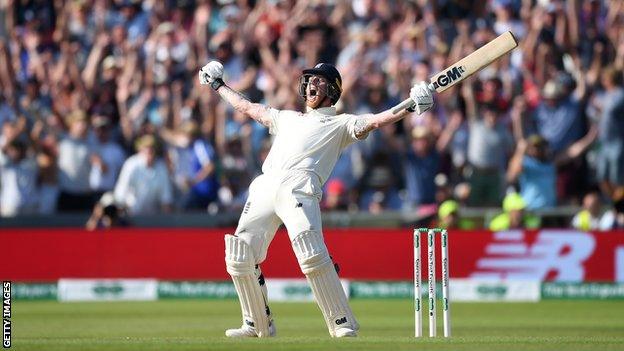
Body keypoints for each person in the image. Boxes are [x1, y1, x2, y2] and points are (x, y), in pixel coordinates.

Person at [199, 61, 433, 338]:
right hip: (265, 185)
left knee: (311, 253)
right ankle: (257, 324)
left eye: (320, 81)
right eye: (310, 79)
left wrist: (411, 104)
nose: (312, 84)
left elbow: (377, 119)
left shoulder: (340, 124)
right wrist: (218, 85)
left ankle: (341, 322)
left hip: (300, 187)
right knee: (239, 255)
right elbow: (248, 107)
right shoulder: (286, 118)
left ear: (333, 90)